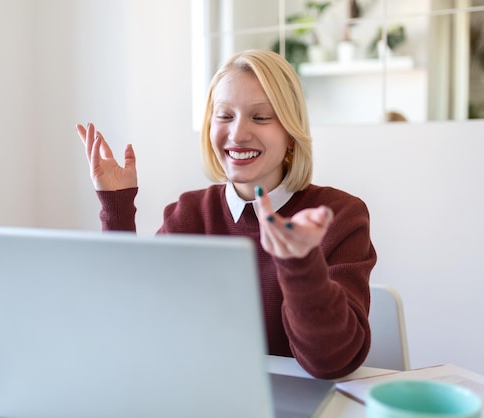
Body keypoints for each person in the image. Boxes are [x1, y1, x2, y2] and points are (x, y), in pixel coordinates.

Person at [75, 49, 376, 379]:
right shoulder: (188, 214)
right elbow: (132, 324)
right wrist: (116, 209)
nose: (237, 134)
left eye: (260, 117)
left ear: (291, 135)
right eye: (224, 116)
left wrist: (300, 262)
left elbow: (331, 361)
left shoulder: (341, 217)